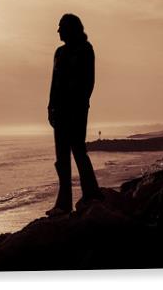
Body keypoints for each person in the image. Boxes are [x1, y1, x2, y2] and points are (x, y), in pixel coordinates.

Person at [46, 13, 104, 217]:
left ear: (71, 28)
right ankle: (63, 203)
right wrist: (50, 106)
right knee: (61, 158)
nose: (58, 30)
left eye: (61, 26)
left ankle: (91, 193)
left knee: (78, 151)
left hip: (76, 110)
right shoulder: (59, 53)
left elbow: (89, 81)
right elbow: (54, 83)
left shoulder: (85, 50)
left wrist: (79, 104)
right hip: (60, 111)